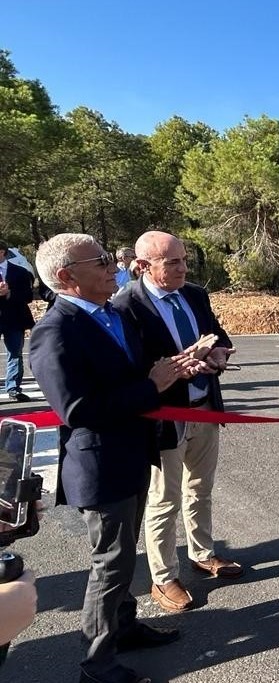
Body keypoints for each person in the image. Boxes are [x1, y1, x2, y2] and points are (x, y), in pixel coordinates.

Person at [29, 233, 198, 683]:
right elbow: (77, 410)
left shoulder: (111, 313)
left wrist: (180, 366)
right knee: (110, 564)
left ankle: (123, 627)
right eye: (100, 260)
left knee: (124, 557)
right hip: (100, 466)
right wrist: (152, 385)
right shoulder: (55, 332)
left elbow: (136, 374)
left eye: (110, 257)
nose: (112, 265)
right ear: (66, 277)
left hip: (131, 454)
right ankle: (97, 664)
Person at [112, 230, 240, 614]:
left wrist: (218, 355)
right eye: (172, 262)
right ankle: (164, 577)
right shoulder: (125, 306)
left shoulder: (195, 294)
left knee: (200, 488)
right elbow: (132, 369)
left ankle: (203, 554)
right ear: (142, 266)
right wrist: (179, 365)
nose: (183, 268)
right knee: (164, 500)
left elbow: (218, 337)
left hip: (205, 407)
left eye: (184, 259)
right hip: (165, 418)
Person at [0, 241, 36, 403]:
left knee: (15, 354)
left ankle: (14, 388)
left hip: (14, 318)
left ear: (2, 252)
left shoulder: (20, 272)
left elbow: (28, 296)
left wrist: (9, 293)